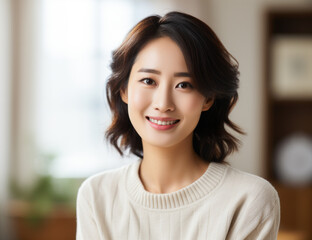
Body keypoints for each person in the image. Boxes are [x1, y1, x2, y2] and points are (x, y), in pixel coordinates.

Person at [76, 11, 280, 240]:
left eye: (184, 85)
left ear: (208, 98)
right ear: (123, 90)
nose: (163, 104)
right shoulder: (97, 196)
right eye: (148, 81)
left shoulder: (248, 199)